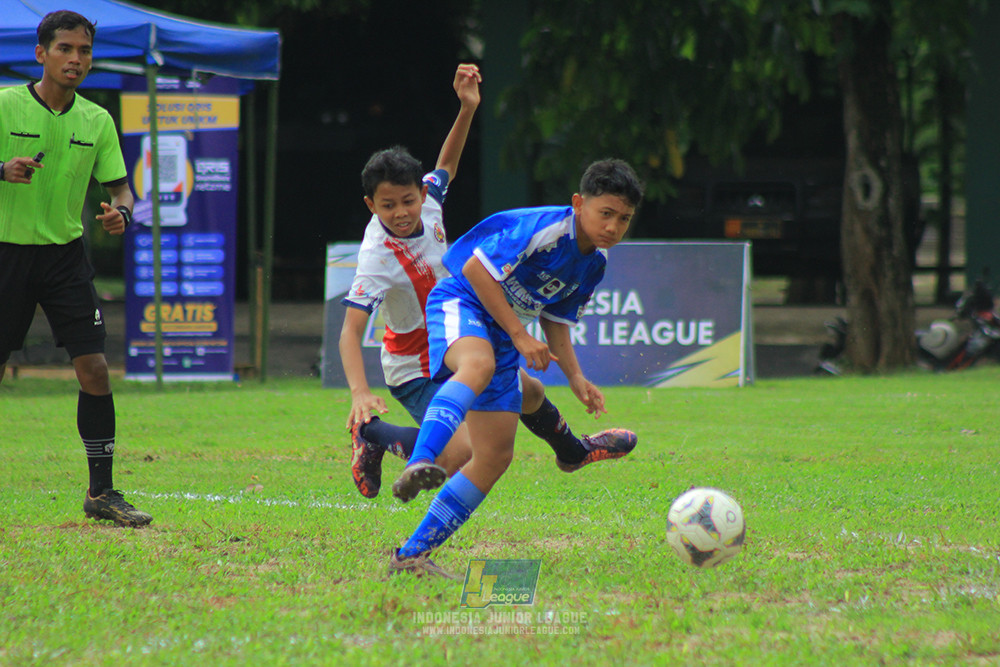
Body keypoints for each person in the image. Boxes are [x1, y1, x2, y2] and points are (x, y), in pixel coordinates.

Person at [340, 66, 635, 501]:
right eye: (389, 206)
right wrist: (360, 393)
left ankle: (573, 450)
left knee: (529, 390)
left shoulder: (428, 202)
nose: (402, 212)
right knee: (462, 452)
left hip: (461, 329)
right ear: (371, 205)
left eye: (408, 201)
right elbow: (350, 330)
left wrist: (468, 107)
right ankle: (373, 434)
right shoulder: (374, 257)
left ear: (420, 195)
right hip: (416, 364)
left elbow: (446, 166)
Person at [388, 158, 644, 578]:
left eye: (624, 219)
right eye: (607, 213)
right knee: (477, 364)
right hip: (462, 302)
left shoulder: (595, 263)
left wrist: (576, 377)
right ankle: (421, 459)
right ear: (579, 203)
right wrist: (520, 335)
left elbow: (557, 319)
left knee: (494, 456)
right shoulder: (545, 229)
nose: (614, 227)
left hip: (504, 334)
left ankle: (411, 555)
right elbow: (474, 269)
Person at [0, 11, 151, 527]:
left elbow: (121, 189)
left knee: (95, 369)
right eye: (65, 49)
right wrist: (2, 170)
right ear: (41, 54)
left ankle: (102, 492)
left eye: (84, 51)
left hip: (65, 257)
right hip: (6, 252)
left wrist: (121, 213)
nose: (76, 59)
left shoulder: (97, 120)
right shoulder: (4, 104)